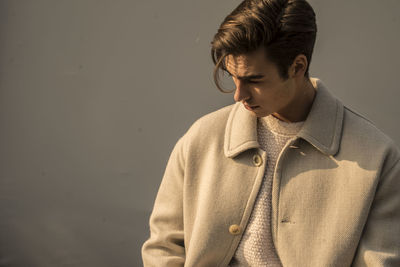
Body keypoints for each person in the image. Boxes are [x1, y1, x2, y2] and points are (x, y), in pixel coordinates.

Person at [141, 0, 400, 266]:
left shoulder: (377, 158)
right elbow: (163, 247)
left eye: (254, 80)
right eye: (232, 76)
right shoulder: (201, 139)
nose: (238, 95)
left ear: (298, 67)